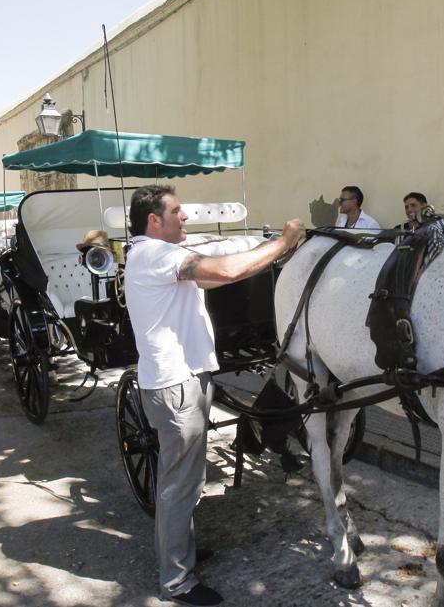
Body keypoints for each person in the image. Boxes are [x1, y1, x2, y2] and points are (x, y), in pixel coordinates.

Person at [124, 185, 305, 606]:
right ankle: (176, 581)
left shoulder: (153, 255)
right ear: (154, 220)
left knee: (187, 481)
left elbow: (217, 273)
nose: (184, 217)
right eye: (177, 211)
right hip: (176, 386)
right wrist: (282, 243)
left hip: (184, 380)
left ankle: (179, 554)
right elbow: (224, 273)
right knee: (179, 485)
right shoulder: (154, 254)